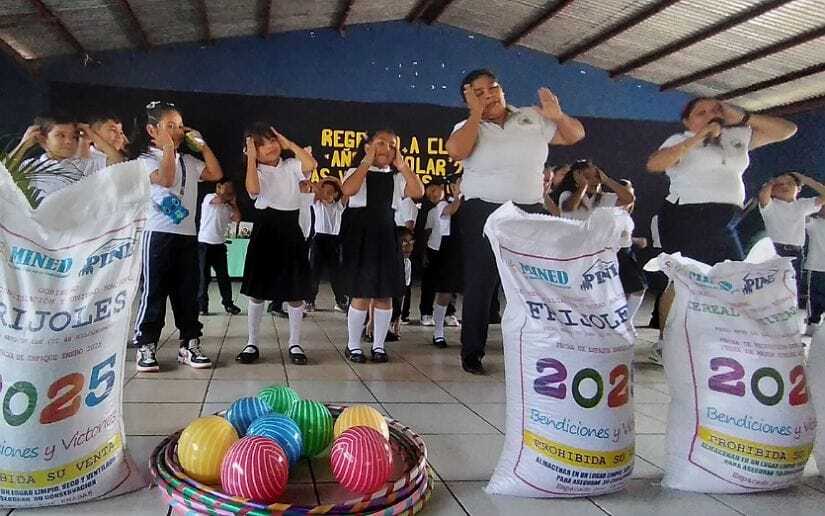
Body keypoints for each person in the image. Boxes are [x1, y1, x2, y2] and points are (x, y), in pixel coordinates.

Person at [446, 68, 585, 375]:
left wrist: (558, 116)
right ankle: (472, 352)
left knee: (535, 281)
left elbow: (575, 135)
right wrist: (475, 114)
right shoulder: (466, 127)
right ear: (469, 100)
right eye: (479, 93)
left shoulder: (531, 117)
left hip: (528, 209)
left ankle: (539, 347)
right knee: (481, 282)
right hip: (483, 211)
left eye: (492, 88)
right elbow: (457, 150)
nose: (489, 95)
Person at [646, 97, 797, 364]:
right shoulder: (680, 139)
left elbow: (787, 130)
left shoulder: (736, 137)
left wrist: (744, 117)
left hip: (724, 219)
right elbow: (655, 164)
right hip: (686, 216)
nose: (710, 114)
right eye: (701, 113)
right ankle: (665, 343)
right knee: (684, 278)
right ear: (687, 121)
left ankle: (718, 338)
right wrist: (699, 137)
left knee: (732, 276)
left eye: (715, 110)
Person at [131, 101, 224, 372]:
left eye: (180, 125)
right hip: (157, 234)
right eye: (170, 125)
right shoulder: (144, 160)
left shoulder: (189, 161)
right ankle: (146, 344)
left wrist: (201, 145)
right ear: (152, 130)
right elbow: (166, 179)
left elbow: (216, 173)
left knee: (188, 293)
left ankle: (189, 344)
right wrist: (169, 147)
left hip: (187, 235)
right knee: (154, 292)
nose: (178, 130)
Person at [340, 129, 424, 364]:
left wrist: (403, 166)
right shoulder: (356, 171)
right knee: (361, 293)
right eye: (380, 143)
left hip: (386, 236)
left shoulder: (396, 178)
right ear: (367, 146)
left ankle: (379, 345)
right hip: (361, 236)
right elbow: (348, 190)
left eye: (392, 145)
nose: (386, 148)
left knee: (384, 294)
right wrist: (366, 161)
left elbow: (418, 192)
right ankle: (353, 345)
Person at [240, 123, 318, 365]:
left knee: (295, 292)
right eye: (261, 145)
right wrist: (251, 159)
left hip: (290, 229)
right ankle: (252, 343)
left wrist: (290, 144)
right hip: (265, 230)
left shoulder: (291, 165)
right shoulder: (256, 171)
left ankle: (295, 343)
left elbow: (310, 165)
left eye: (272, 140)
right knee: (257, 292)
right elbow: (253, 189)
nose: (270, 147)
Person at [10, 114, 120, 205]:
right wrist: (23, 144)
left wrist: (91, 134)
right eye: (61, 135)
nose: (68, 141)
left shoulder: (85, 165)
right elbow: (3, 176)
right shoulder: (30, 167)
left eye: (74, 137)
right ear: (43, 139)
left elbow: (118, 162)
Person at [759, 172, 825, 308]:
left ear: (798, 188)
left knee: (792, 291)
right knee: (772, 290)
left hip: (796, 254)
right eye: (780, 184)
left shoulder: (802, 205)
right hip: (775, 251)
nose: (784, 186)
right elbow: (763, 196)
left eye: (790, 183)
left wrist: (806, 179)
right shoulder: (771, 205)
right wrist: (771, 182)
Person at [423, 177, 464, 348]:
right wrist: (458, 195)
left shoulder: (468, 201)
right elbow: (452, 210)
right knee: (445, 292)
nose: (432, 195)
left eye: (434, 190)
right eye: (428, 194)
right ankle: (438, 332)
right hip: (448, 251)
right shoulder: (442, 205)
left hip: (465, 248)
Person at [198, 179, 242, 316]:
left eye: (231, 190)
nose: (229, 192)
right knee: (204, 277)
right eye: (226, 188)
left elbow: (237, 218)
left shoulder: (228, 207)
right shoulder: (210, 197)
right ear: (218, 187)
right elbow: (220, 199)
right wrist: (229, 198)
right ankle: (202, 306)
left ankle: (228, 304)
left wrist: (234, 204)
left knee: (224, 277)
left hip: (219, 245)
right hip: (205, 243)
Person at [307, 176, 348, 312]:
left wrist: (335, 180)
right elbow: (315, 188)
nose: (326, 194)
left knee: (336, 273)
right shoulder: (317, 204)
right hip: (319, 240)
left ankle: (340, 302)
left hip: (334, 241)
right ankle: (309, 301)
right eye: (324, 191)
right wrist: (323, 181)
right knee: (314, 272)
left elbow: (346, 191)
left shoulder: (339, 206)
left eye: (330, 192)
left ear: (336, 194)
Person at [556, 160, 635, 219]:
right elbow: (569, 208)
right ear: (577, 180)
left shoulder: (603, 198)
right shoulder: (567, 195)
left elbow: (628, 199)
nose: (595, 181)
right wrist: (583, 186)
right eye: (587, 177)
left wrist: (607, 180)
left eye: (597, 176)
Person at [805, 205, 825, 334]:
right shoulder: (813, 223)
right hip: (815, 267)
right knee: (814, 298)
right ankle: (812, 324)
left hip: (816, 266)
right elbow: (800, 216)